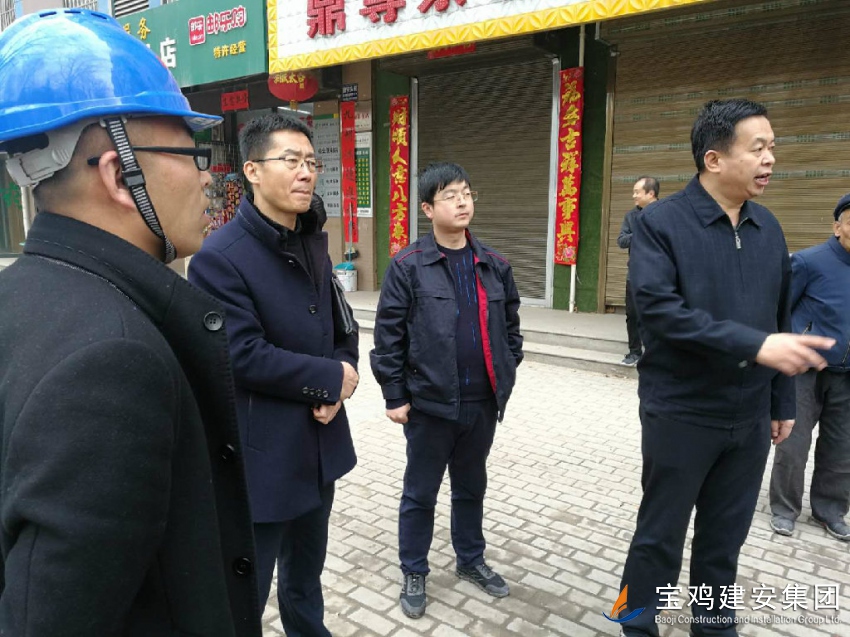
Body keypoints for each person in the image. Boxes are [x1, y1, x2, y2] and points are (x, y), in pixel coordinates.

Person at [0, 9, 260, 636]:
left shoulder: (19, 292)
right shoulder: (114, 362)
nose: (208, 177)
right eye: (192, 155)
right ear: (121, 175)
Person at [616, 99, 834, 637]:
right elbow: (660, 313)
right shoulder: (660, 224)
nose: (770, 159)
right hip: (680, 412)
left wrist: (781, 402)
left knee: (724, 539)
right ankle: (636, 624)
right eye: (757, 148)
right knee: (659, 537)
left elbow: (779, 317)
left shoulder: (768, 228)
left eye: (772, 148)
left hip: (749, 417)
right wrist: (757, 346)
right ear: (714, 159)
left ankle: (714, 627)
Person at [188, 113, 359, 637]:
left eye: (311, 161)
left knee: (306, 579)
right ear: (253, 171)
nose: (305, 172)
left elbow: (340, 325)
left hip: (319, 449)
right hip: (264, 460)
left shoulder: (310, 240)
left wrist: (343, 374)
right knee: (249, 591)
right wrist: (328, 379)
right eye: (291, 160)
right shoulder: (220, 257)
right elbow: (241, 355)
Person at [370, 162, 523, 619]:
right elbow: (388, 336)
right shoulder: (407, 266)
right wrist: (395, 395)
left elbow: (511, 329)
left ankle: (470, 559)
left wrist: (505, 368)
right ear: (427, 208)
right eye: (450, 195)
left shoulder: (494, 265)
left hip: (482, 403)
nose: (462, 202)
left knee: (471, 486)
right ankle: (414, 570)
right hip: (429, 404)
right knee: (420, 492)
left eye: (467, 193)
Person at [768, 193, 850, 542]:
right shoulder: (808, 262)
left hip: (847, 377)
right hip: (804, 371)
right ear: (837, 227)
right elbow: (779, 311)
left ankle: (829, 511)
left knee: (842, 448)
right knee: (793, 442)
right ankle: (784, 508)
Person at [617, 177, 659, 366]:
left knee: (657, 315)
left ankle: (655, 353)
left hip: (659, 275)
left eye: (637, 192)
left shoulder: (667, 214)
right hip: (634, 274)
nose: (633, 195)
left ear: (651, 193)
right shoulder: (631, 217)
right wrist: (639, 234)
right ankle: (634, 352)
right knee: (632, 315)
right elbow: (621, 241)